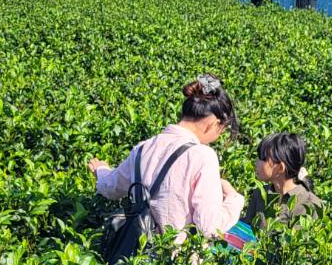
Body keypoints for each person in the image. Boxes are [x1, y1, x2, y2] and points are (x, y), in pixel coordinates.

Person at [88, 75, 244, 239]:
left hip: (137, 257)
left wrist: (101, 170)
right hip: (177, 261)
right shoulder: (203, 156)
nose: (218, 137)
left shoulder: (143, 148)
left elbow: (111, 187)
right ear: (212, 123)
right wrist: (234, 200)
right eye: (222, 130)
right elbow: (209, 227)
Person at [245, 132, 324, 227]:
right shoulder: (259, 195)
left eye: (263, 159)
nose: (256, 162)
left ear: (280, 168)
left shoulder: (313, 205)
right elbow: (245, 233)